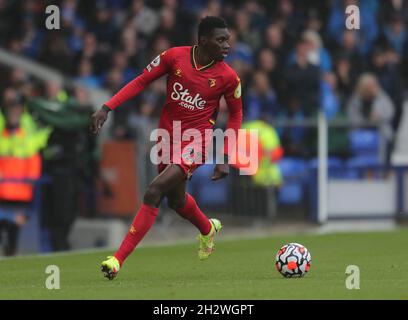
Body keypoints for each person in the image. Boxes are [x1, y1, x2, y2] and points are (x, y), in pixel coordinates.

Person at [91, 16, 243, 280]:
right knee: (176, 200)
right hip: (166, 137)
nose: (227, 45)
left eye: (227, 40)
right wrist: (107, 107)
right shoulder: (174, 57)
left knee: (154, 191)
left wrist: (225, 156)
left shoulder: (228, 77)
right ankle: (207, 229)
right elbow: (140, 81)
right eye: (221, 40)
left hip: (197, 142)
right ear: (203, 40)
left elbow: (236, 116)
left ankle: (117, 260)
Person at [0, 89, 51, 256]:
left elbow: (32, 160)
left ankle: (10, 254)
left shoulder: (27, 134)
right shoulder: (5, 133)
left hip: (21, 193)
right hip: (4, 192)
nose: (13, 113)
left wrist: (30, 181)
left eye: (16, 109)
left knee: (14, 231)